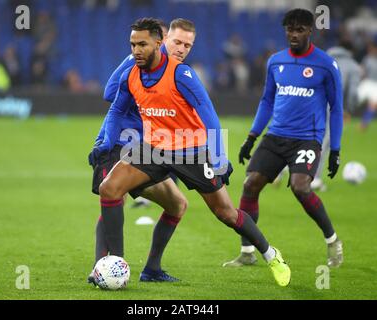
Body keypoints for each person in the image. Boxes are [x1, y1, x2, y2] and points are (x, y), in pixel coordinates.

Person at [96, 18, 291, 287]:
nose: (136, 50)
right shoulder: (131, 73)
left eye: (142, 44)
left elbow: (209, 115)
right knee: (110, 188)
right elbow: (117, 109)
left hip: (191, 151)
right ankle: (117, 266)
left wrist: (220, 157)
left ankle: (271, 254)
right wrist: (106, 143)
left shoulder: (180, 74)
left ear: (157, 43)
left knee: (225, 213)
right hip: (153, 148)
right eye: (132, 44)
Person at [223, 9, 344, 268]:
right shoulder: (276, 61)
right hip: (276, 136)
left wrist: (335, 150)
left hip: (307, 139)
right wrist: (251, 137)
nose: (293, 34)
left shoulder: (326, 64)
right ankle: (247, 252)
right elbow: (267, 100)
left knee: (300, 187)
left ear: (310, 31)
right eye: (290, 29)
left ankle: (332, 240)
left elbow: (336, 108)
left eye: (299, 29)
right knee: (250, 184)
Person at [88, 19, 200, 283]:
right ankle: (102, 269)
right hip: (119, 143)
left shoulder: (173, 72)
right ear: (162, 41)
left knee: (178, 204)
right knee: (114, 194)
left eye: (186, 44)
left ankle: (151, 270)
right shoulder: (136, 63)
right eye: (176, 42)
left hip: (146, 148)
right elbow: (109, 95)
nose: (180, 48)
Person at [311, 40, 362, 191]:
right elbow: (352, 92)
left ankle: (288, 168)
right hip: (331, 105)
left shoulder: (323, 58)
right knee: (324, 141)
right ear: (351, 51)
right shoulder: (353, 66)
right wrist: (349, 109)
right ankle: (314, 178)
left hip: (309, 100)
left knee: (303, 136)